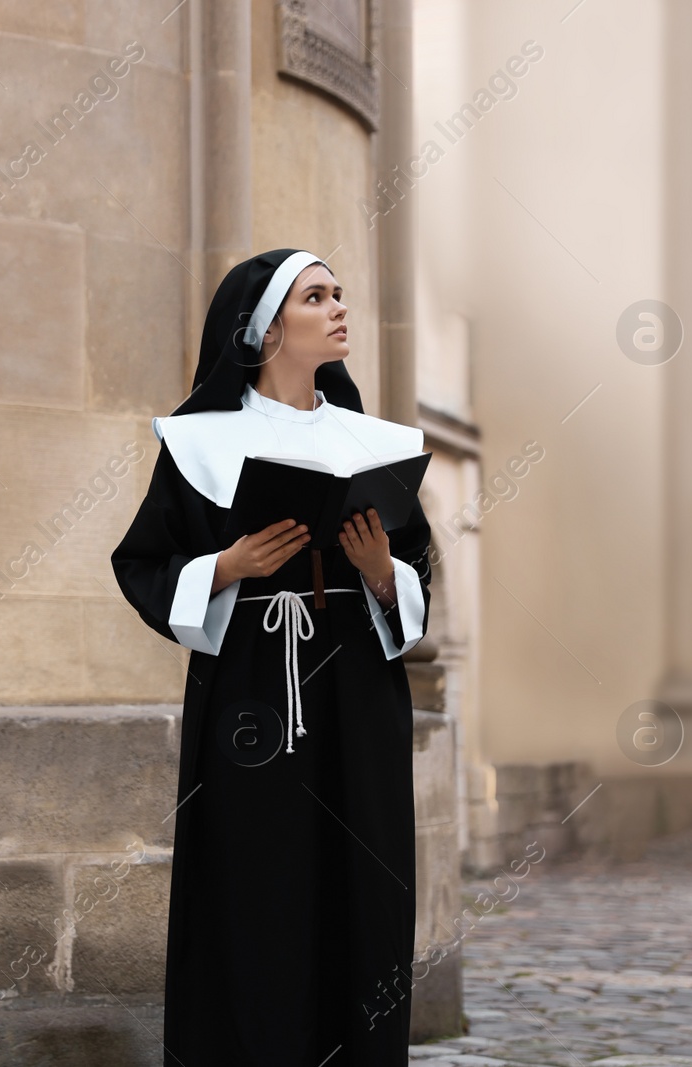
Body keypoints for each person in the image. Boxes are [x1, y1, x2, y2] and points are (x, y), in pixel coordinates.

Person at [110, 248, 432, 1064]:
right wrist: (227, 566)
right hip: (251, 694)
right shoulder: (198, 443)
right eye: (315, 296)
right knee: (254, 888)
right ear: (263, 329)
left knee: (361, 887)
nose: (337, 307)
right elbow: (142, 562)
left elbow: (420, 573)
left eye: (338, 293)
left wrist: (379, 573)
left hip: (356, 693)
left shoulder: (374, 441)